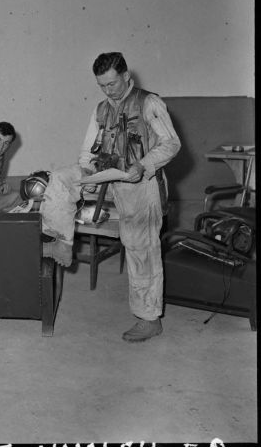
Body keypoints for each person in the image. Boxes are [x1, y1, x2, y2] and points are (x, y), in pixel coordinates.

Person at [41, 52, 181, 342]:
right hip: (108, 175)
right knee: (59, 178)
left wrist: (143, 165)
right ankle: (62, 242)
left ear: (127, 77)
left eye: (113, 84)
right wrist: (87, 175)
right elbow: (87, 149)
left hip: (142, 184)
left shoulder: (149, 103)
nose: (108, 91)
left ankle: (149, 319)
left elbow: (171, 144)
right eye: (102, 85)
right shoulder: (101, 108)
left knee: (140, 249)